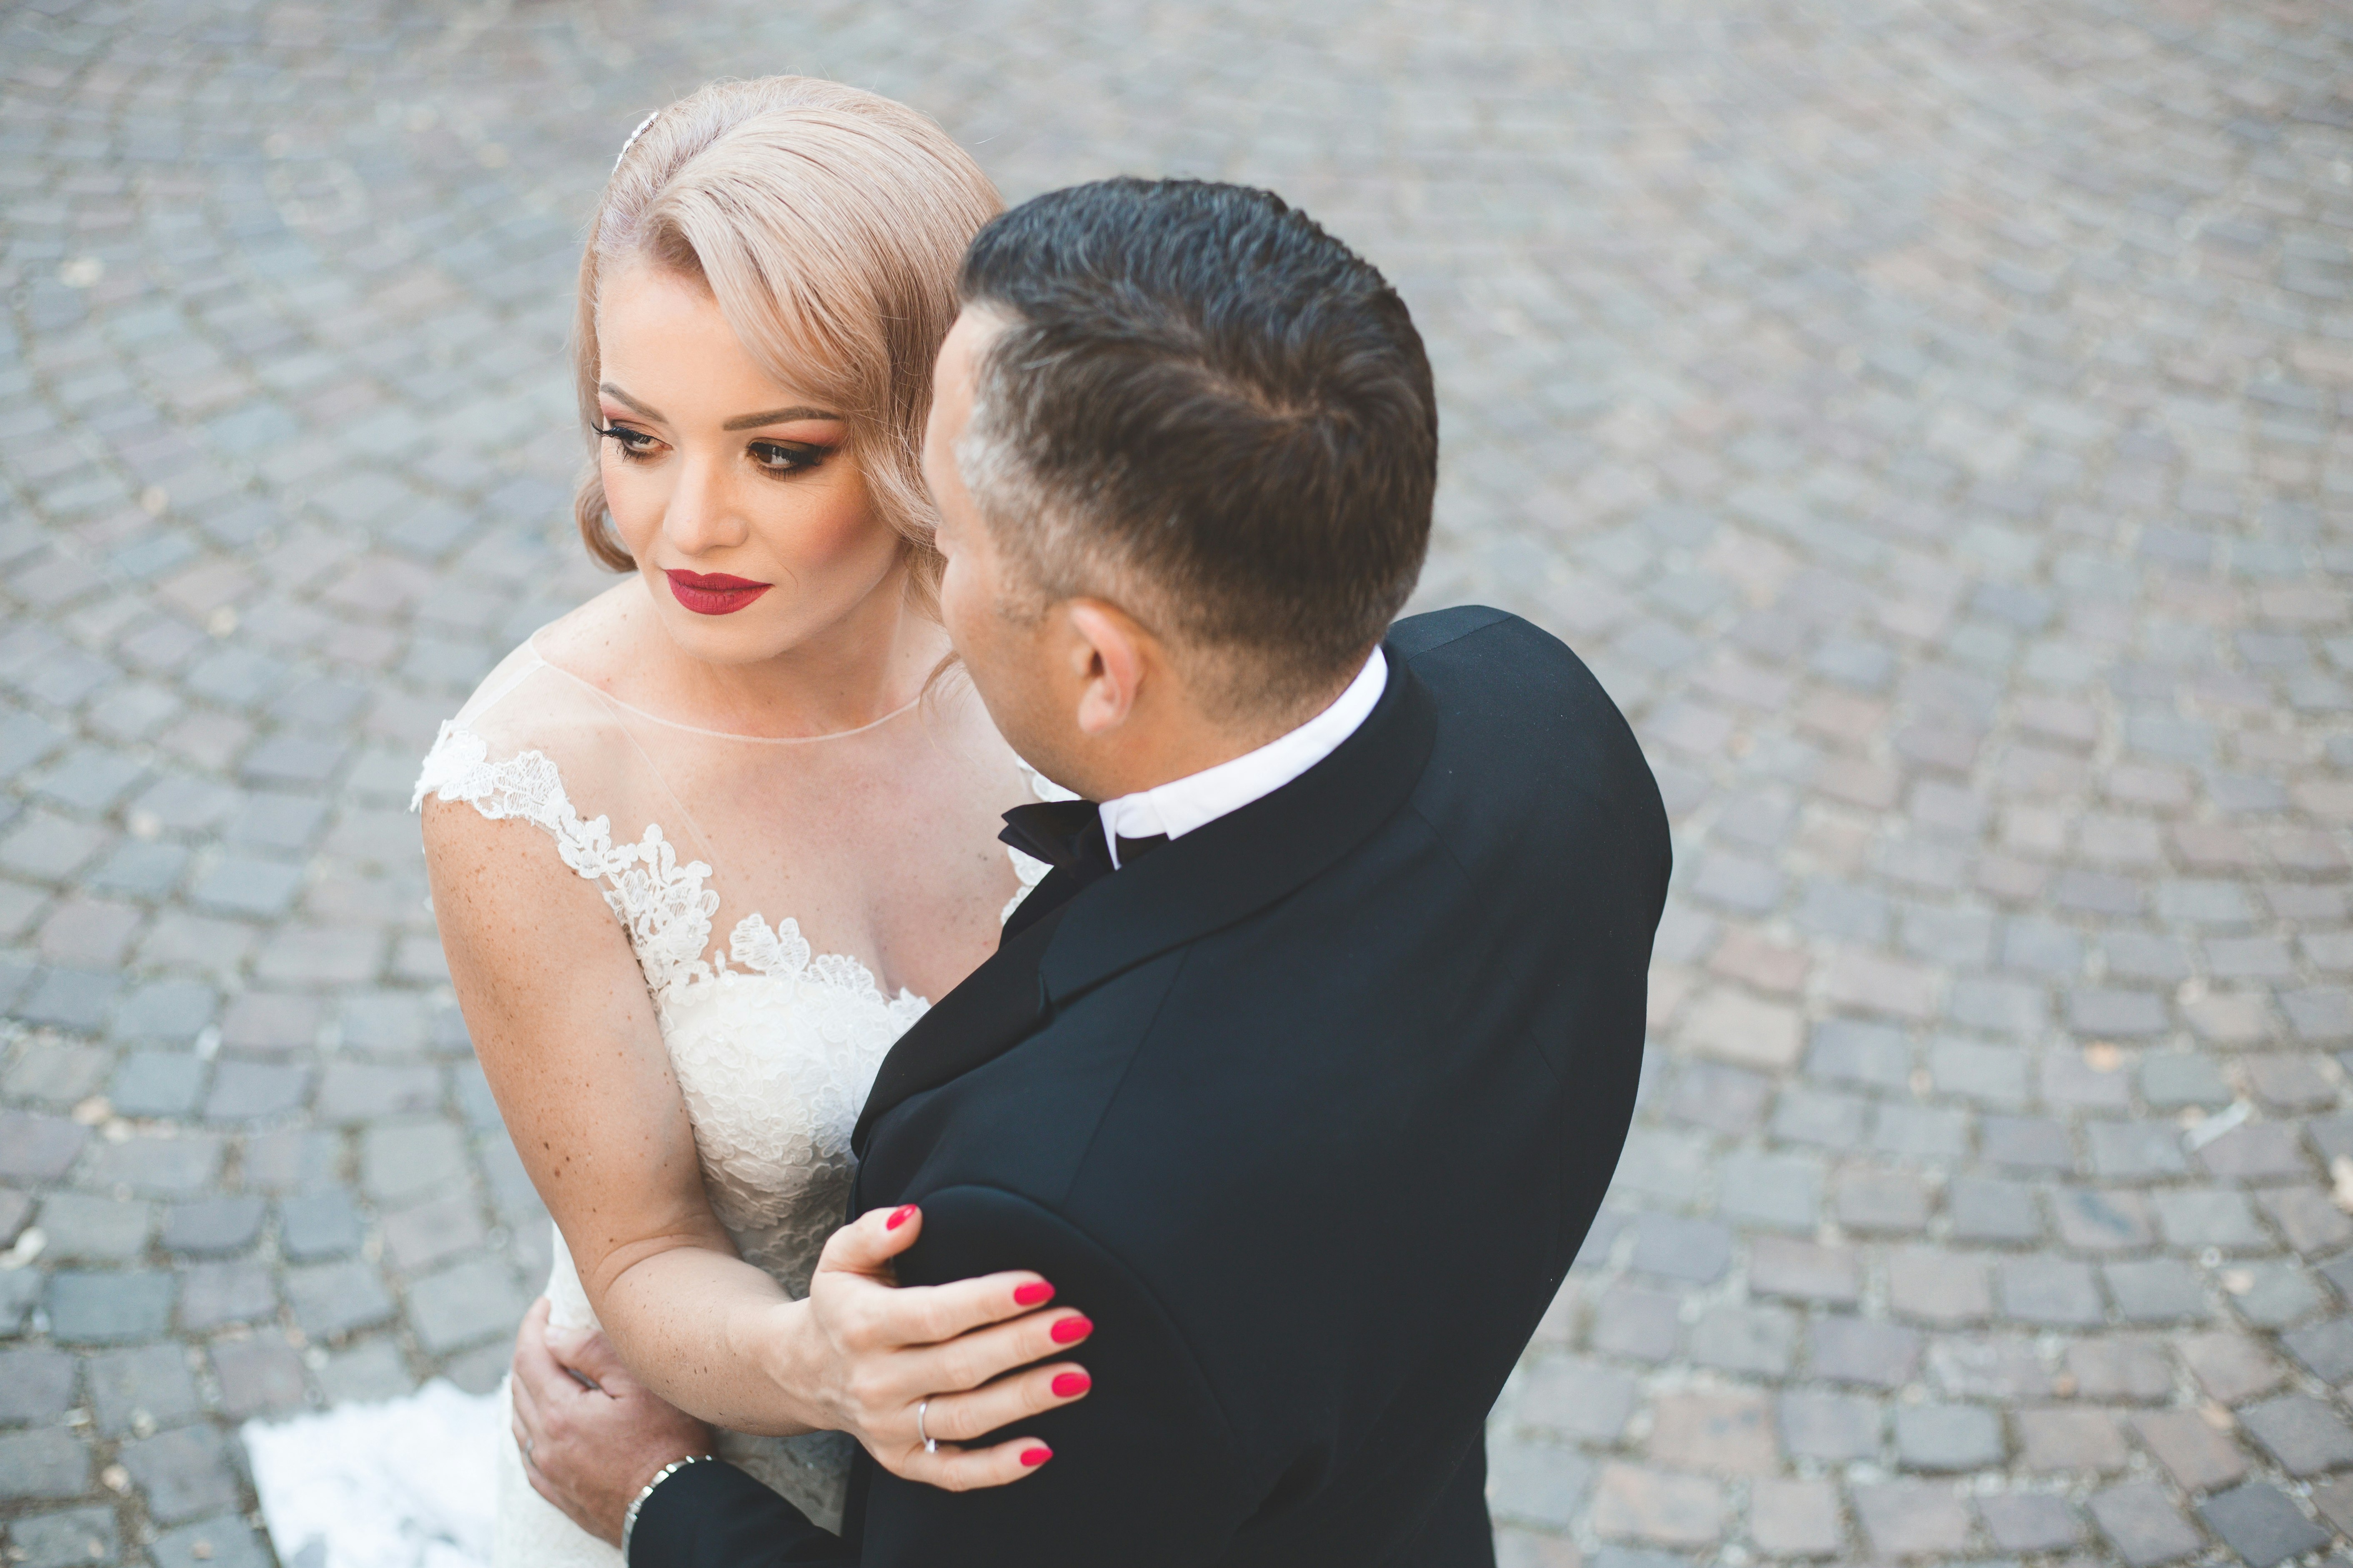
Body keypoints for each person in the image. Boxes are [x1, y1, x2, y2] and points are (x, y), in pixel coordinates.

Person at [513, 177, 1671, 1566]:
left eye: (944, 528)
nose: (914, 556)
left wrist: (658, 1498)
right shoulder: (1547, 721)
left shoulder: (1047, 1215)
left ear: (1102, 667)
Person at [413, 79, 1099, 1567]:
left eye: (779, 451)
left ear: (932, 420)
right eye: (635, 435)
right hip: (715, 1483)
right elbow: (645, 1250)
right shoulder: (524, 783)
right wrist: (822, 1368)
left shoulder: (1047, 648)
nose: (686, 527)